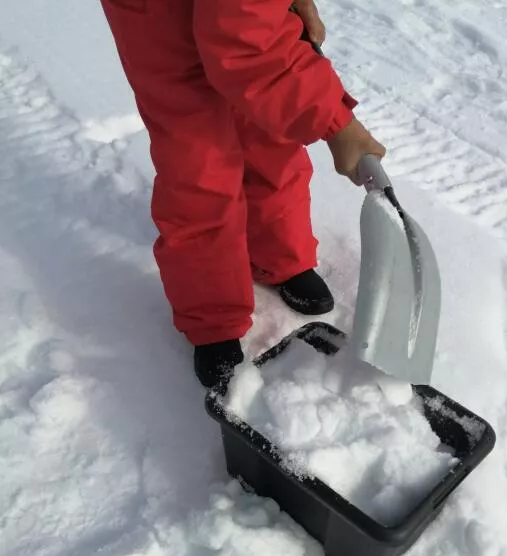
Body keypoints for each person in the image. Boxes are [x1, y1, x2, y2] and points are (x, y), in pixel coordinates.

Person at [100, 0, 386, 388]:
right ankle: (213, 314)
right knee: (198, 161)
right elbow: (243, 40)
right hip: (156, 16)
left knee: (268, 134)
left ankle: (279, 257)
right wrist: (337, 123)